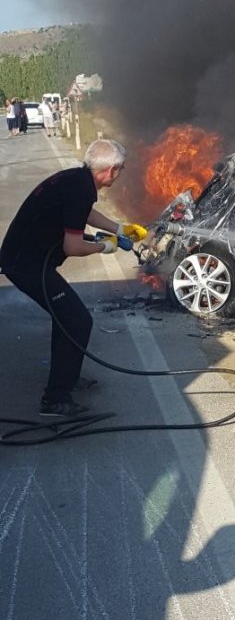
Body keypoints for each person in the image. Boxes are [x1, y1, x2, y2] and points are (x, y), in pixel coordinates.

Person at [0, 139, 148, 418]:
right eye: (121, 169)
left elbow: (84, 214)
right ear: (111, 170)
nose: (120, 174)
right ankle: (55, 400)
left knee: (67, 317)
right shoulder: (81, 188)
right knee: (78, 320)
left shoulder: (77, 178)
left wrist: (119, 228)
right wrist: (107, 246)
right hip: (26, 265)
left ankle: (65, 378)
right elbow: (73, 246)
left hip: (25, 258)